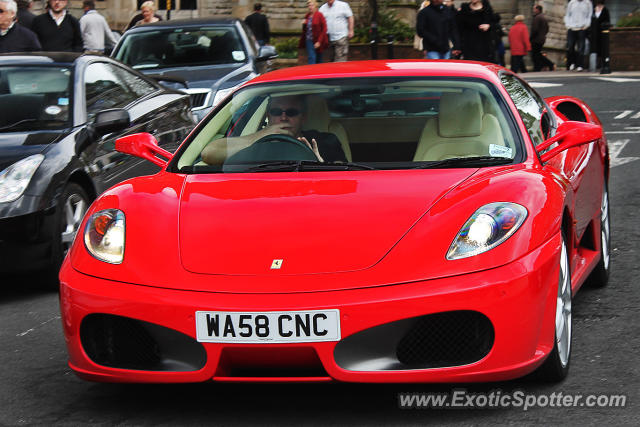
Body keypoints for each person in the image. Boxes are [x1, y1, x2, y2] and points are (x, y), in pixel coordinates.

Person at [201, 95, 347, 165]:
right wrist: (263, 134)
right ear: (268, 116)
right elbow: (209, 154)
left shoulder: (326, 140)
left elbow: (343, 179)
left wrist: (319, 165)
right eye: (276, 112)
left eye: (291, 112)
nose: (283, 118)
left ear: (303, 118)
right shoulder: (256, 143)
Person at [564, 0, 592, 71]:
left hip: (582, 28)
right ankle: (572, 63)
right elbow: (567, 15)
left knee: (581, 47)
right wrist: (568, 25)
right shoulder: (572, 2)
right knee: (570, 46)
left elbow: (589, 15)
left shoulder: (587, 3)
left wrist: (586, 25)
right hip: (572, 27)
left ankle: (580, 65)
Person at [530, 4, 555, 71]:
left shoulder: (537, 18)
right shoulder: (543, 17)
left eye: (534, 9)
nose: (533, 10)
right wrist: (543, 35)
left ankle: (547, 65)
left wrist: (530, 38)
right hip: (541, 39)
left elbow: (535, 29)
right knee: (538, 54)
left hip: (536, 39)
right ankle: (544, 66)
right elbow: (547, 29)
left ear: (538, 10)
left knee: (535, 55)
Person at [590, 0, 610, 69]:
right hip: (594, 33)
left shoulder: (605, 10)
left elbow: (608, 21)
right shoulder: (593, 9)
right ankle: (595, 64)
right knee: (595, 48)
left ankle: (603, 63)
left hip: (603, 33)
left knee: (602, 48)